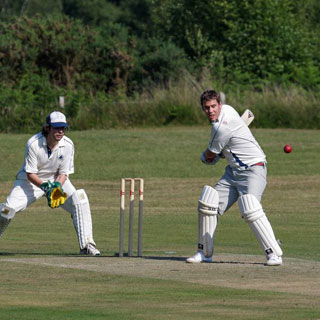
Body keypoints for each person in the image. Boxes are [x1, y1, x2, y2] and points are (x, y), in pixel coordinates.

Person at [186, 90, 283, 266]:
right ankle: (204, 252)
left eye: (213, 106)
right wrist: (220, 152)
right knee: (209, 204)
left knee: (251, 208)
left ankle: (274, 253)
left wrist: (205, 157)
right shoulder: (229, 110)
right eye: (207, 108)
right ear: (202, 108)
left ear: (220, 105)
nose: (210, 111)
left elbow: (210, 156)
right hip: (233, 171)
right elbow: (224, 147)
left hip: (253, 168)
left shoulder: (220, 127)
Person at [0, 111, 100, 256]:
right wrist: (46, 188)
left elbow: (64, 173)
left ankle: (87, 246)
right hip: (30, 181)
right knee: (6, 211)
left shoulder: (68, 145)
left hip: (56, 180)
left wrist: (57, 187)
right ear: (47, 128)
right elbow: (30, 173)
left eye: (63, 128)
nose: (60, 131)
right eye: (56, 128)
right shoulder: (33, 143)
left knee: (80, 198)